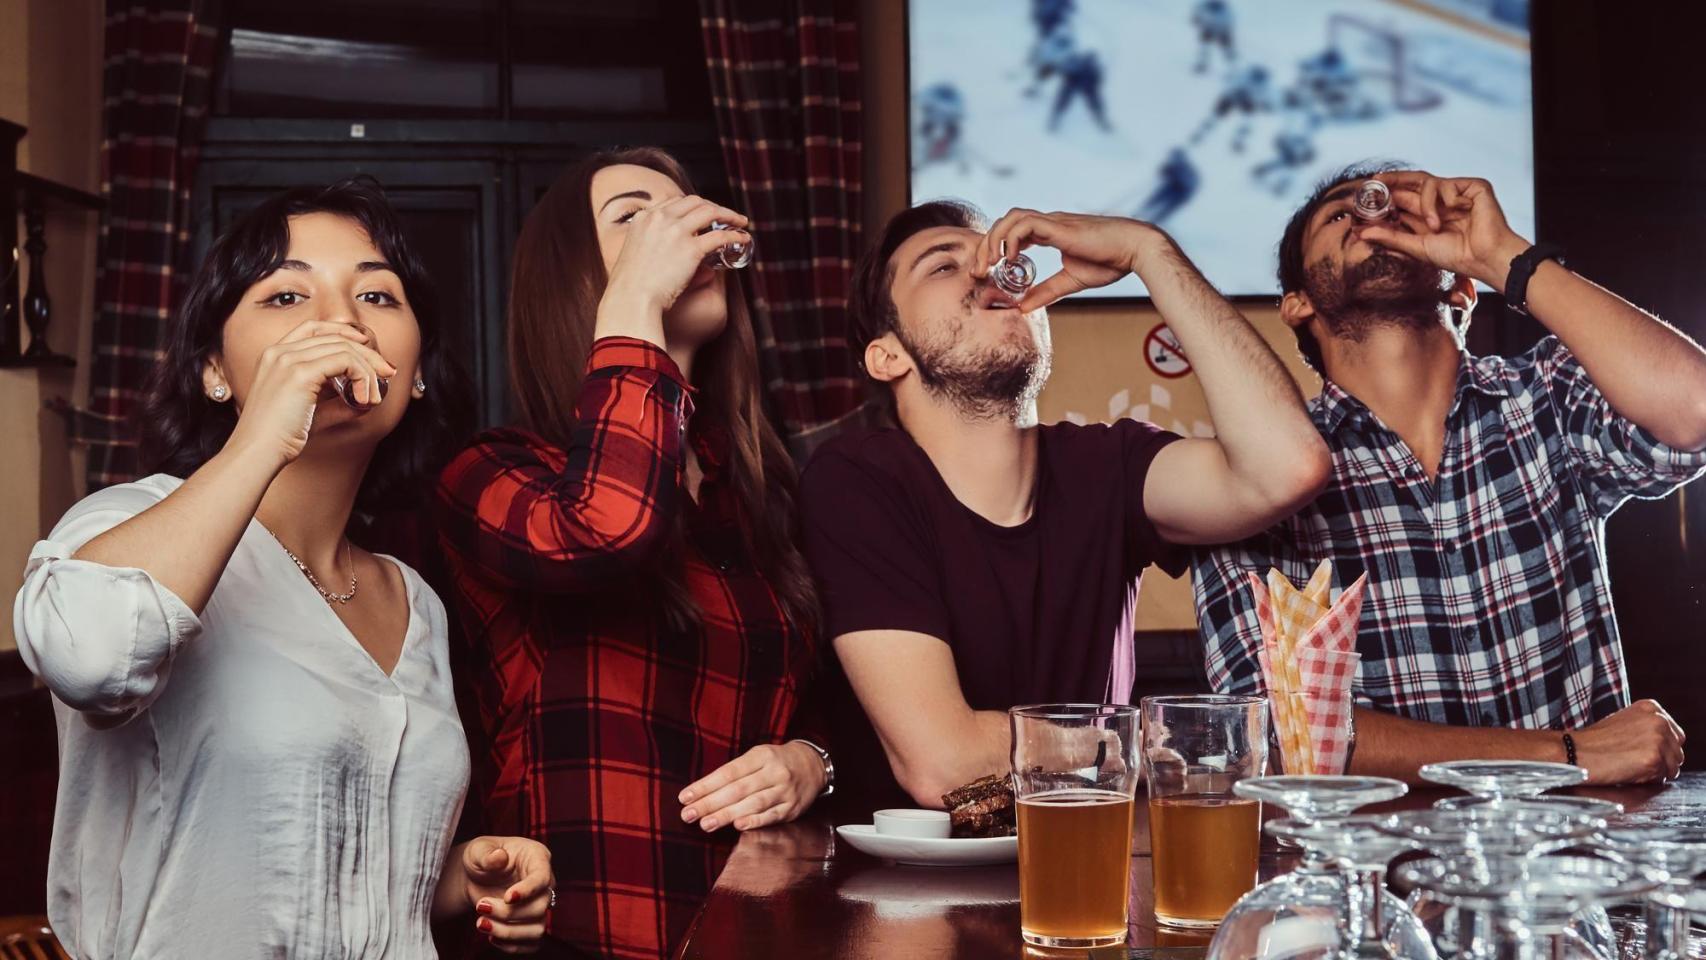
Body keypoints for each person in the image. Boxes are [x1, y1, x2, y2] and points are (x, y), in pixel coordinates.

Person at [12, 178, 553, 959]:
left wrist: (466, 882)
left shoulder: (417, 602)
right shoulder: (125, 522)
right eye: (285, 297)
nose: (340, 320)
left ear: (419, 371)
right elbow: (91, 657)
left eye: (377, 294)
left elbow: (340, 870)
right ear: (215, 372)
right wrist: (265, 435)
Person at [801, 200, 1331, 814]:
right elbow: (942, 763)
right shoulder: (858, 482)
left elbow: (1289, 467)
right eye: (942, 268)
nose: (987, 273)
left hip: (1094, 868)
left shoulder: (1106, 465)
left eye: (998, 260)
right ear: (887, 355)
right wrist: (1126, 748)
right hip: (905, 894)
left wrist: (1148, 253)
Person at [433, 147, 831, 959]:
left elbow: (822, 699)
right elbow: (605, 531)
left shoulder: (756, 485)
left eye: (684, 208)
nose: (681, 228)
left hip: (760, 931)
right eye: (635, 218)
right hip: (587, 938)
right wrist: (636, 303)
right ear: (575, 280)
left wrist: (810, 762)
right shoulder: (491, 470)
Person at [1194, 163, 1706, 784]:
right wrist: (1568, 754)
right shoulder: (1258, 476)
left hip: (1576, 863)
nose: (1372, 216)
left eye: (1398, 216)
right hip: (1375, 870)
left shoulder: (1546, 391)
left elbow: (1695, 412)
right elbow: (1275, 730)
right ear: (1296, 303)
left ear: (1462, 288)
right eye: (1339, 215)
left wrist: (1506, 260)